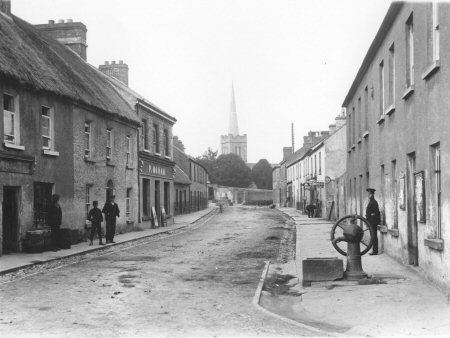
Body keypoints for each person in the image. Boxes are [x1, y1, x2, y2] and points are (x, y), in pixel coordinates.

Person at [365, 188, 381, 255]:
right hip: (370, 221)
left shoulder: (374, 202)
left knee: (374, 236)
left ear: (372, 194)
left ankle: (375, 251)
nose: (368, 195)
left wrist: (370, 214)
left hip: (373, 222)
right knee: (373, 236)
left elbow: (376, 213)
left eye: (369, 194)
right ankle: (374, 250)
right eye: (368, 194)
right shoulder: (371, 202)